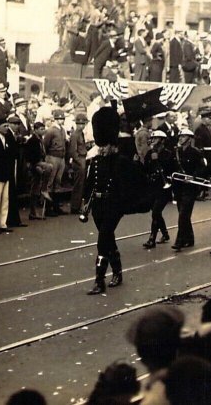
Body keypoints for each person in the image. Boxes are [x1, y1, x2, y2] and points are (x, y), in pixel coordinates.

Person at [84, 107, 127, 295]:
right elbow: (90, 183)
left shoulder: (119, 161)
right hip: (98, 206)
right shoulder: (95, 162)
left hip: (113, 205)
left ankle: (99, 280)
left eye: (104, 146)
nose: (102, 149)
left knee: (102, 240)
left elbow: (124, 185)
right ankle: (117, 271)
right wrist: (86, 202)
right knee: (108, 238)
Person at [171, 128, 205, 251]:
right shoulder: (177, 152)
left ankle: (179, 240)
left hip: (190, 187)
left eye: (183, 136)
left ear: (189, 139)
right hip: (179, 187)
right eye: (180, 136)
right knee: (183, 213)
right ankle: (189, 239)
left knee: (183, 215)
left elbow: (202, 169)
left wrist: (193, 177)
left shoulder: (196, 152)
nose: (180, 138)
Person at [142, 130, 175, 249]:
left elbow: (170, 169)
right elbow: (145, 169)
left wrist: (157, 160)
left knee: (156, 211)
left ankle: (152, 238)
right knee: (156, 212)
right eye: (152, 138)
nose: (153, 140)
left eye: (156, 138)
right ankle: (165, 234)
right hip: (153, 187)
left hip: (164, 187)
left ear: (162, 140)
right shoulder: (150, 153)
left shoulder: (168, 154)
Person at [25, 121, 54, 220]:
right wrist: (35, 166)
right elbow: (29, 157)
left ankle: (34, 211)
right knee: (35, 188)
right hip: (35, 164)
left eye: (44, 129)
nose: (43, 131)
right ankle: (44, 190)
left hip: (40, 163)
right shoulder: (32, 141)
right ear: (35, 130)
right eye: (41, 129)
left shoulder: (40, 140)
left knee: (36, 185)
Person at [43, 109, 68, 215]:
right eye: (59, 118)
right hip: (53, 156)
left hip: (61, 157)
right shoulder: (51, 130)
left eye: (62, 118)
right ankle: (48, 208)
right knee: (50, 181)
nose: (61, 120)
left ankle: (56, 206)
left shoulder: (62, 130)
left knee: (57, 182)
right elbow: (46, 144)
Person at [68, 113, 89, 214]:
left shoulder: (80, 134)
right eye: (81, 124)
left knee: (81, 184)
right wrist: (79, 162)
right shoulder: (75, 135)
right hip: (79, 160)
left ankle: (76, 205)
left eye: (84, 123)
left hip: (82, 159)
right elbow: (72, 151)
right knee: (78, 185)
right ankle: (75, 206)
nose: (83, 126)